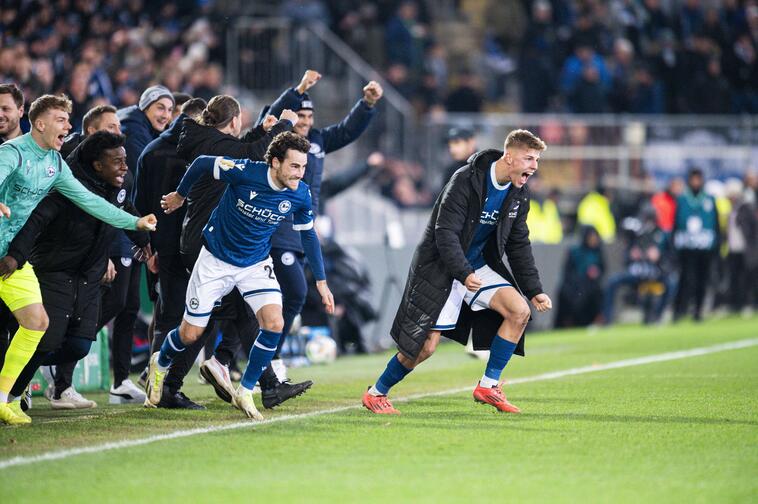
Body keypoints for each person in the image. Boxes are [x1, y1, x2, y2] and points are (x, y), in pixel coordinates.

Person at [361, 129, 552, 415]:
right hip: (442, 267)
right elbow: (445, 232)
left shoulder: (519, 193)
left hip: (475, 266)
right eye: (529, 158)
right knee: (425, 347)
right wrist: (462, 272)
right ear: (509, 157)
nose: (534, 166)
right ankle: (376, 392)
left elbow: (518, 242)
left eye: (536, 160)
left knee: (519, 310)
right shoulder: (465, 179)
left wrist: (534, 289)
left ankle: (488, 385)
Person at [149, 132, 335, 420]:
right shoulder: (245, 171)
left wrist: (322, 282)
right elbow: (200, 163)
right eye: (295, 166)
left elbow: (309, 236)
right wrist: (179, 195)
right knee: (191, 333)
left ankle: (246, 391)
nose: (300, 173)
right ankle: (159, 363)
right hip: (215, 260)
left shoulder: (299, 193)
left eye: (303, 167)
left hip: (255, 264)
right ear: (275, 162)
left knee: (274, 322)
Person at [0, 94, 156, 425]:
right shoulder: (11, 153)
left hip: (13, 257)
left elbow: (90, 201)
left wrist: (134, 223)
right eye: (61, 120)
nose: (69, 127)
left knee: (38, 325)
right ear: (39, 123)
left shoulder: (56, 165)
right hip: (24, 257)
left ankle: (5, 397)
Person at [171, 96, 306, 410]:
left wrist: (263, 128)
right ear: (233, 121)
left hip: (211, 240)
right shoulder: (217, 146)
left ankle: (239, 371)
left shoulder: (208, 140)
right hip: (212, 243)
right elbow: (252, 153)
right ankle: (171, 378)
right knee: (201, 324)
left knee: (235, 315)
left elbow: (245, 149)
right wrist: (284, 125)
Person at [264, 69, 381, 383]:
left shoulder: (316, 141)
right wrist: (298, 88)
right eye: (299, 115)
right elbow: (269, 115)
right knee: (286, 293)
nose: (304, 121)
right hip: (276, 226)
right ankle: (261, 359)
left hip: (303, 227)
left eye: (308, 116)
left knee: (291, 295)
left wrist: (366, 106)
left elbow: (346, 131)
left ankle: (253, 358)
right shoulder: (275, 141)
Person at [99, 85, 175, 402]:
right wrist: (146, 238)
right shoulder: (135, 131)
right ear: (145, 106)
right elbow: (143, 187)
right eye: (160, 107)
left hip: (132, 226)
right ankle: (61, 360)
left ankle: (120, 378)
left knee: (129, 307)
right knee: (118, 303)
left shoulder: (141, 129)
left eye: (170, 110)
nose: (166, 115)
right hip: (122, 228)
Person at [131, 97, 207, 409]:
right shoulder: (192, 151)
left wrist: (147, 244)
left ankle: (155, 382)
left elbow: (139, 201)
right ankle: (163, 387)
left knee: (167, 314)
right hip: (184, 247)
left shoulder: (151, 150)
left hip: (159, 245)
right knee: (188, 315)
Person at [673, 168, 719, 321]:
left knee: (702, 279)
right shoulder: (682, 199)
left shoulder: (709, 199)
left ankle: (698, 311)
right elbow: (676, 224)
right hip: (686, 247)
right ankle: (679, 310)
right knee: (685, 278)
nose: (696, 182)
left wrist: (716, 245)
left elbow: (716, 224)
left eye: (698, 179)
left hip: (704, 248)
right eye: (693, 179)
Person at [554, 226, 604, 328]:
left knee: (594, 291)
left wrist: (595, 272)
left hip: (591, 285)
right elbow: (568, 272)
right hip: (574, 284)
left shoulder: (598, 252)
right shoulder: (574, 252)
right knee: (565, 292)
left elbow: (602, 268)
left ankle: (594, 320)